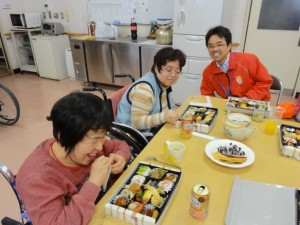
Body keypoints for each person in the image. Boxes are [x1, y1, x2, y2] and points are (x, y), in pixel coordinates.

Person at [16, 92, 130, 225]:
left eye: (103, 137)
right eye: (94, 140)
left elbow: (120, 145)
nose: (100, 147)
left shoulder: (93, 144)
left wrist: (120, 157)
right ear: (64, 137)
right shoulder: (38, 179)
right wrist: (93, 184)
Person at [116, 47, 186, 137]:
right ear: (156, 68)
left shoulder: (163, 83)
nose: (173, 75)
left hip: (152, 128)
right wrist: (164, 117)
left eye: (177, 71)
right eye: (169, 70)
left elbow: (166, 107)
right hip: (133, 136)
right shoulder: (145, 90)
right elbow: (136, 122)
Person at [200, 25, 272, 101]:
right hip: (230, 107)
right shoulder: (208, 72)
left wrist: (247, 98)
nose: (215, 49)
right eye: (211, 46)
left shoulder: (249, 60)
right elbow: (206, 95)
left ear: (229, 46)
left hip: (256, 104)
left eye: (219, 45)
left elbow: (265, 81)